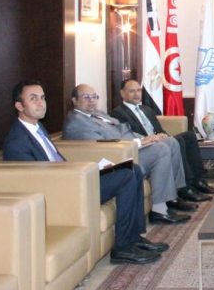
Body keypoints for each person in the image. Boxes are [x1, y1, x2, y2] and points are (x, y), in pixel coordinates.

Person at [2, 80, 168, 264]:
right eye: (33, 99)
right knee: (126, 175)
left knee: (132, 168)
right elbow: (33, 181)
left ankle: (134, 238)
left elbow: (55, 161)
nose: (41, 103)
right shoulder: (17, 141)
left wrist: (91, 170)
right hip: (65, 190)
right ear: (19, 105)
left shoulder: (38, 128)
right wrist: (77, 175)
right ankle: (123, 247)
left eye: (42, 98)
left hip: (72, 179)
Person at [63, 84, 191, 224]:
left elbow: (124, 131)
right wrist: (141, 142)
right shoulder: (77, 122)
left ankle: (172, 197)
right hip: (117, 158)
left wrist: (148, 138)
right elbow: (101, 148)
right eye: (86, 97)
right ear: (74, 100)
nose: (91, 100)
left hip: (130, 147)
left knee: (171, 142)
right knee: (161, 150)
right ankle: (159, 210)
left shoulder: (98, 114)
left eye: (94, 97)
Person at [111, 78, 214, 200]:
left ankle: (199, 181)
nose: (136, 94)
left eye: (138, 90)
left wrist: (164, 135)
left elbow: (159, 129)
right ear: (122, 93)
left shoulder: (146, 109)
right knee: (178, 142)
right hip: (148, 146)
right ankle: (186, 187)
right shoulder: (118, 113)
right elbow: (131, 136)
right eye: (132, 91)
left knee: (189, 136)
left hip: (160, 140)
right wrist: (154, 138)